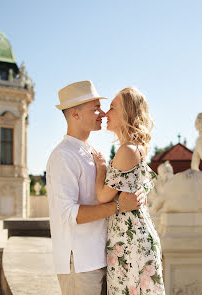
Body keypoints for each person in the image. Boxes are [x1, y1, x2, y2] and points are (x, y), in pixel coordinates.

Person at [46, 81, 144, 295]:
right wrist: (119, 206)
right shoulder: (63, 155)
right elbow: (69, 214)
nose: (102, 113)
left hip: (102, 259)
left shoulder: (93, 152)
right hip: (79, 264)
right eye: (95, 109)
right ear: (75, 114)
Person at [93, 87, 166, 295]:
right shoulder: (136, 147)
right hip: (133, 237)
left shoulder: (127, 151)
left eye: (113, 108)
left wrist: (101, 168)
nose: (106, 113)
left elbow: (102, 197)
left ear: (129, 114)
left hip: (129, 242)